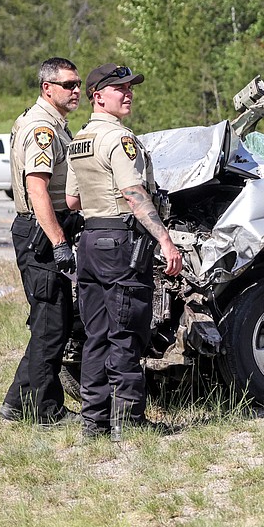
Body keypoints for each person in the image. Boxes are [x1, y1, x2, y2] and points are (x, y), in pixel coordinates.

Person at [64, 64, 183, 440]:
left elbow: (71, 199)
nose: (128, 93)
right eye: (119, 88)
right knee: (126, 331)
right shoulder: (119, 140)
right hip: (121, 243)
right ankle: (128, 419)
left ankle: (93, 421)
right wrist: (165, 240)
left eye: (130, 87)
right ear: (98, 95)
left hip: (90, 241)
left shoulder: (79, 140)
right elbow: (134, 194)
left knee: (96, 333)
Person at [0, 57, 82, 426]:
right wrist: (59, 242)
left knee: (50, 321)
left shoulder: (52, 123)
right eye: (68, 85)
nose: (76, 90)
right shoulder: (41, 128)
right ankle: (45, 410)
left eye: (78, 83)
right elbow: (37, 188)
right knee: (51, 323)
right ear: (48, 88)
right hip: (41, 231)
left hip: (42, 228)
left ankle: (17, 404)